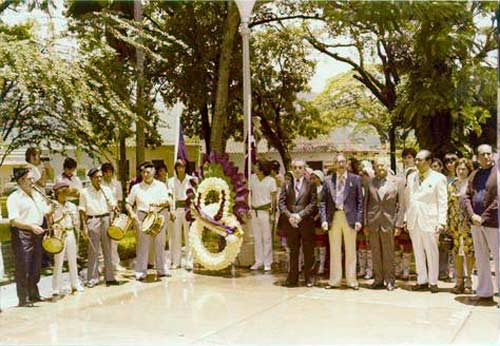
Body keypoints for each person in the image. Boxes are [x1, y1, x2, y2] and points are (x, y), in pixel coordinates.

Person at [7, 168, 54, 306]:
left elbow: (44, 211)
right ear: (21, 180)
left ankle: (34, 294)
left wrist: (52, 208)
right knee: (23, 266)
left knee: (36, 265)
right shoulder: (14, 198)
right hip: (23, 234)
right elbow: (14, 220)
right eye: (30, 178)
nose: (33, 181)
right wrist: (31, 227)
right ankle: (23, 298)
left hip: (37, 233)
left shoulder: (37, 194)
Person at [404, 150, 448, 293]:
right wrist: (406, 218)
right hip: (414, 219)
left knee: (431, 251)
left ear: (429, 162)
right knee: (417, 251)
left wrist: (441, 221)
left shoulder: (439, 178)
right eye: (416, 159)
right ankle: (421, 280)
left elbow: (442, 201)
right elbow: (408, 199)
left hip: (430, 220)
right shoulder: (411, 177)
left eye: (420, 160)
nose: (416, 162)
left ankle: (433, 282)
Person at [321, 153, 364, 290]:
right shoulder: (328, 180)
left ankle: (352, 281)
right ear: (334, 164)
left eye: (343, 162)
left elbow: (360, 202)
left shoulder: (355, 179)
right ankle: (334, 281)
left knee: (350, 250)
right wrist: (324, 219)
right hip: (334, 217)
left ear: (346, 163)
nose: (340, 164)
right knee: (334, 250)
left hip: (350, 218)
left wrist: (359, 219)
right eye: (337, 162)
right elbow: (322, 202)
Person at [462, 144, 498, 303]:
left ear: (493, 155)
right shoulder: (474, 175)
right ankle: (485, 292)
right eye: (482, 154)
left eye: (489, 154)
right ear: (477, 157)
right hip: (476, 223)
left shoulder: (497, 173)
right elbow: (466, 196)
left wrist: (483, 217)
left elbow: (498, 200)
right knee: (481, 257)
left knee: (498, 257)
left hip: (494, 222)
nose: (486, 157)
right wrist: (472, 215)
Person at [127, 161, 172, 280]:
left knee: (160, 243)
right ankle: (141, 271)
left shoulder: (161, 185)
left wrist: (159, 203)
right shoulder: (136, 187)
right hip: (142, 216)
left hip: (158, 216)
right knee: (143, 245)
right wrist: (132, 214)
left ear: (153, 171)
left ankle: (162, 269)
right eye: (143, 172)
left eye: (147, 172)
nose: (145, 174)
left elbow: (168, 201)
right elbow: (128, 203)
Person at [364, 159, 404, 291]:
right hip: (373, 222)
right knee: (375, 252)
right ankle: (378, 279)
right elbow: (365, 204)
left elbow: (401, 205)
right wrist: (365, 223)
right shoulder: (370, 182)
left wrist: (398, 224)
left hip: (389, 222)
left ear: (387, 166)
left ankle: (390, 280)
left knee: (389, 253)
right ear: (375, 168)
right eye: (377, 165)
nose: (380, 167)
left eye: (382, 165)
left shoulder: (397, 182)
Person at [279, 160, 316, 287]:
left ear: (304, 169)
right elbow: (281, 203)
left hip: (305, 222)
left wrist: (300, 215)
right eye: (295, 167)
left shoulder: (311, 184)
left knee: (308, 251)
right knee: (293, 251)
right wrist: (289, 216)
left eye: (300, 167)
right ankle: (292, 278)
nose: (297, 170)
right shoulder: (286, 184)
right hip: (291, 223)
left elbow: (313, 203)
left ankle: (309, 278)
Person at [79, 168, 118, 288]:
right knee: (93, 250)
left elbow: (113, 203)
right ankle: (92, 278)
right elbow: (82, 210)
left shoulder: (106, 190)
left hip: (106, 218)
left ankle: (110, 277)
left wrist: (114, 206)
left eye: (101, 176)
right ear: (91, 178)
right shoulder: (84, 192)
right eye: (97, 177)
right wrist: (84, 227)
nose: (100, 179)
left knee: (108, 249)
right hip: (93, 219)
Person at [51, 182, 84, 297]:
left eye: (66, 193)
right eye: (62, 193)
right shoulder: (53, 205)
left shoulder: (71, 206)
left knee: (72, 259)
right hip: (59, 233)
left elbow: (77, 223)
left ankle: (75, 284)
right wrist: (60, 213)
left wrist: (74, 217)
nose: (65, 196)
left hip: (70, 232)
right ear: (57, 194)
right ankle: (56, 287)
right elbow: (50, 220)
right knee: (58, 261)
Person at [448, 158, 475, 294]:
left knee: (469, 252)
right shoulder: (452, 185)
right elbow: (448, 205)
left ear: (469, 170)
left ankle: (469, 280)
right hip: (455, 224)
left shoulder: (472, 184)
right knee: (457, 251)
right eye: (459, 169)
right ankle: (459, 281)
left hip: (469, 224)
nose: (461, 171)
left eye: (464, 169)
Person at [249, 160, 277, 272]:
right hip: (255, 211)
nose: (254, 167)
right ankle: (258, 261)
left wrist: (273, 214)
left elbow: (274, 198)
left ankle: (267, 262)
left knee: (267, 238)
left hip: (265, 211)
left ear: (262, 168)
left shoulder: (271, 181)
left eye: (256, 165)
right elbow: (250, 193)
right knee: (257, 237)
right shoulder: (252, 178)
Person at [395, 148, 417, 280]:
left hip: (410, 212)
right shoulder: (401, 174)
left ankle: (406, 270)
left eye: (410, 157)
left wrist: (406, 216)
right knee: (397, 242)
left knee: (408, 244)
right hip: (399, 211)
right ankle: (398, 268)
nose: (407, 159)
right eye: (405, 157)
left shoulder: (416, 173)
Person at [168, 159, 193, 270]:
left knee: (189, 236)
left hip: (188, 210)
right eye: (178, 167)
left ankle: (189, 261)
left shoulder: (191, 180)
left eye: (182, 166)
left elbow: (194, 195)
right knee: (176, 236)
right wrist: (171, 210)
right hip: (177, 210)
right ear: (176, 168)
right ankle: (176, 261)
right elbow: (170, 197)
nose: (181, 169)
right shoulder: (171, 181)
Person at [101, 162, 125, 272]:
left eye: (110, 172)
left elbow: (119, 200)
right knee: (103, 239)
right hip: (102, 213)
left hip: (114, 214)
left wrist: (117, 213)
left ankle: (115, 263)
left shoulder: (117, 184)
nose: (108, 174)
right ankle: (103, 264)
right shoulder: (100, 184)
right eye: (105, 172)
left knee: (114, 239)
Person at [310, 170, 327, 275]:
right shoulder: (310, 188)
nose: (312, 180)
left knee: (321, 242)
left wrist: (318, 216)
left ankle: (322, 264)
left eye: (314, 178)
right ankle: (315, 263)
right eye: (311, 178)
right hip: (311, 216)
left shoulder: (324, 189)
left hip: (320, 216)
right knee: (314, 242)